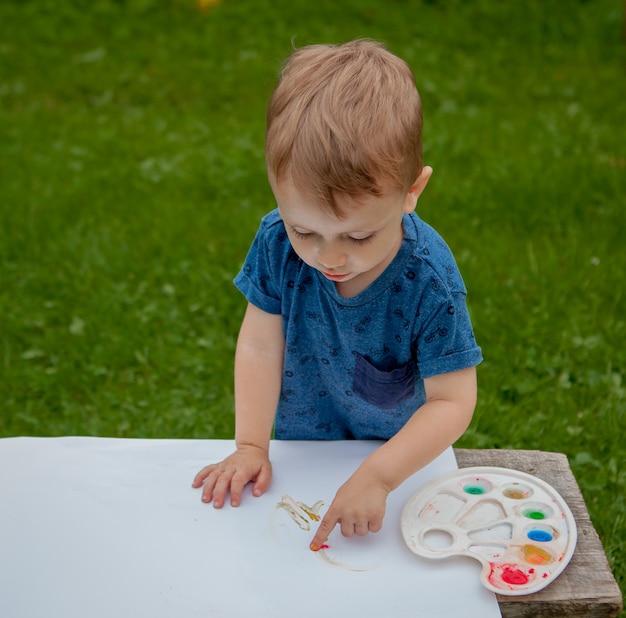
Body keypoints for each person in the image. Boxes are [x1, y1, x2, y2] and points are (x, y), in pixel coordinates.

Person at [192, 39, 482, 551]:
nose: (329, 257)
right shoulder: (276, 242)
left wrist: (379, 477)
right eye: (304, 230)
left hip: (398, 459)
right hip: (302, 448)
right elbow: (260, 345)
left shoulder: (427, 279)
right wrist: (251, 445)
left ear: (412, 190)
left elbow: (453, 400)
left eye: (358, 236)